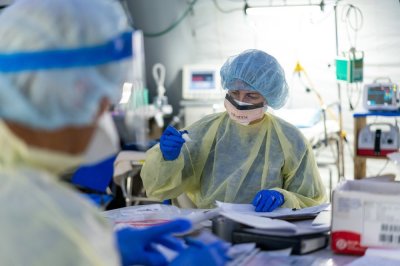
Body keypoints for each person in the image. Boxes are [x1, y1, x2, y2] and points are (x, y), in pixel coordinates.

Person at [0, 0, 228, 265]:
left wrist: (101, 248)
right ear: (73, 95)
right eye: (103, 103)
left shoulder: (23, 186)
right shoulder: (31, 219)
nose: (103, 117)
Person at [141, 49, 327, 211]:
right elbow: (159, 188)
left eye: (251, 95)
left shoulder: (290, 140)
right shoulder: (206, 130)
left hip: (269, 229)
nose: (240, 102)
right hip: (211, 226)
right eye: (234, 93)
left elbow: (311, 202)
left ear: (268, 98)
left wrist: (283, 199)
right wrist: (166, 159)